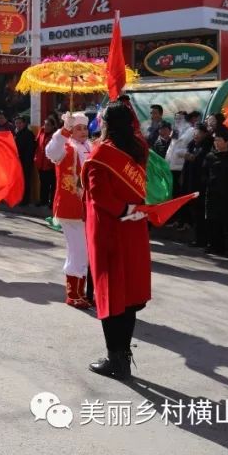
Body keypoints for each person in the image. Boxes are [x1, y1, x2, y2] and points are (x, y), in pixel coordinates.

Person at [81, 103, 151, 380]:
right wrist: (130, 210)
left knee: (110, 293)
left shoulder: (101, 152)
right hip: (134, 226)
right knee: (130, 293)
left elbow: (99, 196)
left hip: (109, 227)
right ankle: (124, 354)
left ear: (106, 123)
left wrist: (122, 210)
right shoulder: (139, 149)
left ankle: (116, 359)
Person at [45, 111, 94, 309]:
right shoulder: (66, 146)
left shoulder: (90, 146)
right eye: (78, 128)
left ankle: (81, 292)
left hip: (87, 206)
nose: (82, 132)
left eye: (84, 128)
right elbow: (51, 152)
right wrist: (63, 129)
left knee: (86, 252)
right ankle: (73, 293)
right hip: (70, 206)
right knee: (78, 251)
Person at [13, 115, 36, 206]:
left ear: (24, 123)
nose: (18, 125)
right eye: (16, 123)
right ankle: (19, 198)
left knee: (25, 181)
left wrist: (25, 161)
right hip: (17, 161)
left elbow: (30, 150)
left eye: (20, 123)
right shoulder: (17, 133)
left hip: (25, 162)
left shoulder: (28, 134)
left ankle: (25, 200)